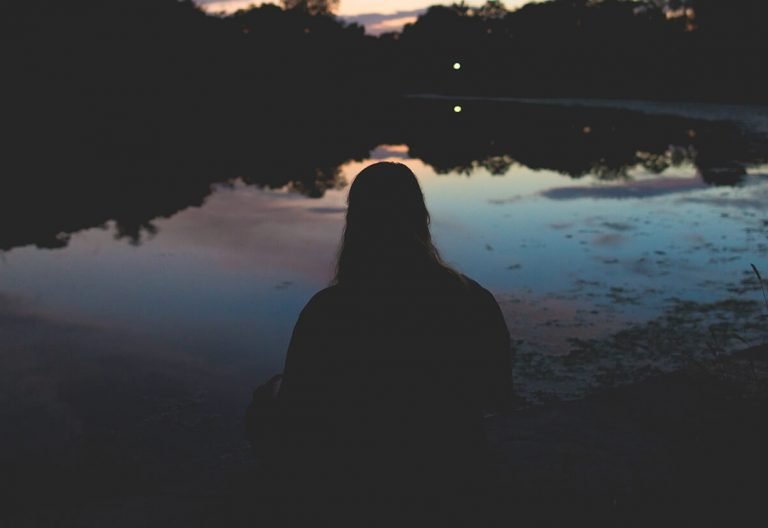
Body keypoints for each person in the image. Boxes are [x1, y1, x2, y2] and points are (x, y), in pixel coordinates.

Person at [272, 162, 513, 526]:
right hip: (456, 477)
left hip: (357, 489)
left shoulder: (327, 312)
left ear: (355, 223)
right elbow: (499, 394)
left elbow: (295, 413)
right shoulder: (473, 300)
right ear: (421, 217)